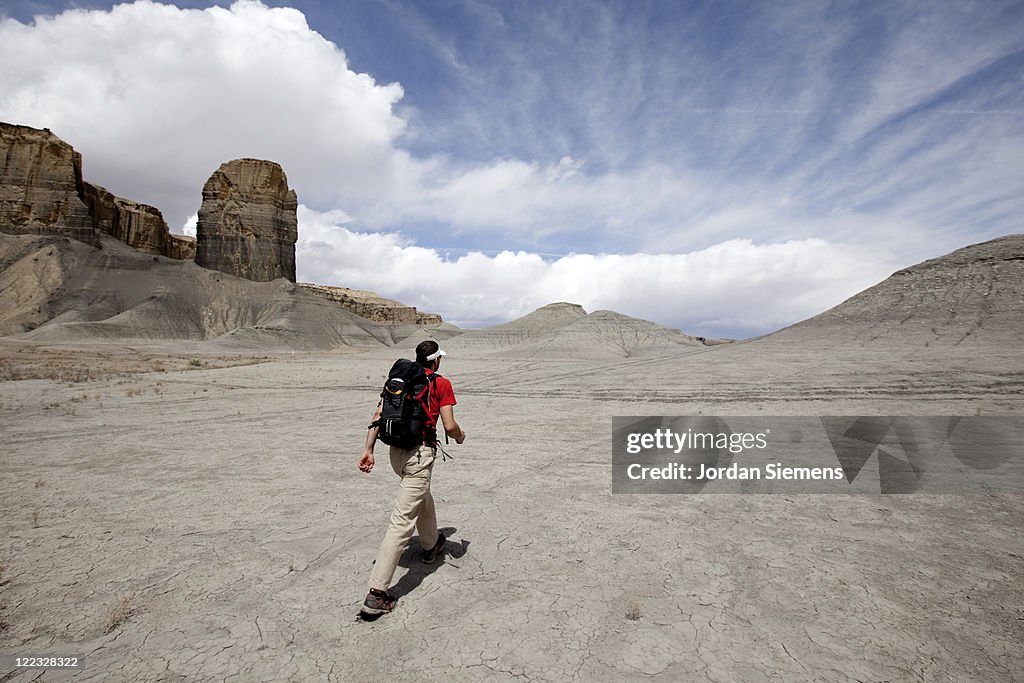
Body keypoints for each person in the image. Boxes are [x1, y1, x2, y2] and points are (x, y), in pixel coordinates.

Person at [358, 340, 466, 615]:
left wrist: (369, 449)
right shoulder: (441, 384)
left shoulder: (400, 379)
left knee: (422, 499)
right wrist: (460, 436)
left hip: (396, 453)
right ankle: (376, 594)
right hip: (419, 455)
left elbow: (378, 414)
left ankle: (431, 545)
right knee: (402, 522)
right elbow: (450, 424)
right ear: (436, 360)